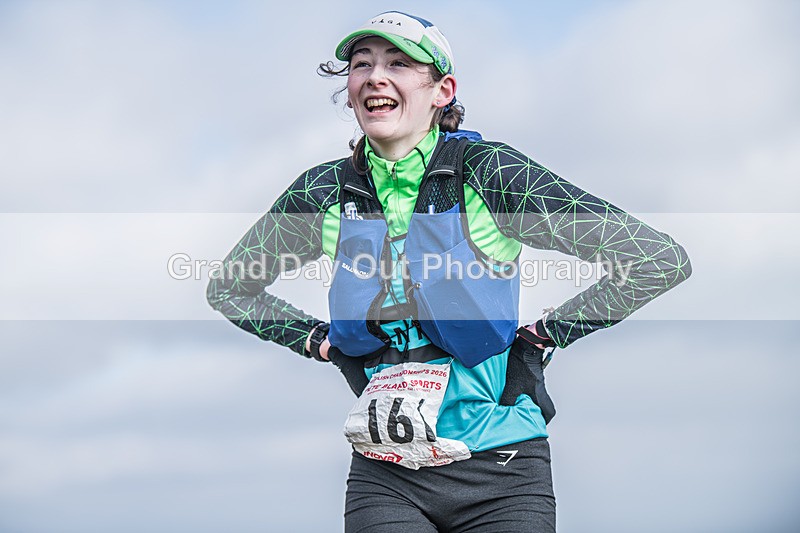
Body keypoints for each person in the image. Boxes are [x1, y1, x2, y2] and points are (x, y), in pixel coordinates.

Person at [207, 11, 691, 532]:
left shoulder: (493, 174)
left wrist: (543, 337)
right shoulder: (321, 191)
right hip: (385, 472)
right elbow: (231, 289)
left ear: (442, 90)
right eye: (361, 64)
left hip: (503, 472)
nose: (375, 76)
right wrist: (318, 343)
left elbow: (654, 259)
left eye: (399, 63)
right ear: (349, 91)